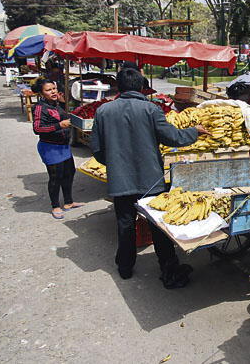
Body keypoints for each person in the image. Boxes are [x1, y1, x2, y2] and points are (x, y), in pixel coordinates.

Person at [90, 68, 209, 287]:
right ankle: (168, 268)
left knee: (125, 225)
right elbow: (172, 137)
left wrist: (116, 164)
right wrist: (195, 131)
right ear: (141, 87)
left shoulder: (103, 111)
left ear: (119, 86)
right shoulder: (150, 109)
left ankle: (125, 268)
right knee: (158, 227)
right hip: (150, 181)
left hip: (120, 181)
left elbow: (96, 148)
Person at [31, 78, 83, 219]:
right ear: (42, 94)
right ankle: (55, 206)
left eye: (53, 89)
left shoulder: (56, 103)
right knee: (55, 177)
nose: (53, 92)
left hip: (63, 146)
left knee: (69, 172)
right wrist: (59, 125)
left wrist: (63, 102)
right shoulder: (39, 107)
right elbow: (37, 128)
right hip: (50, 147)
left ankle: (68, 202)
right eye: (48, 90)